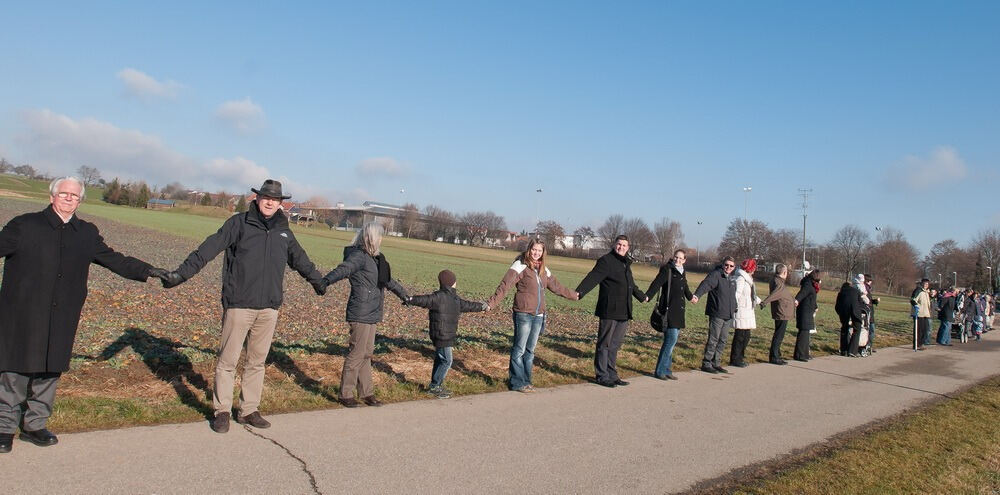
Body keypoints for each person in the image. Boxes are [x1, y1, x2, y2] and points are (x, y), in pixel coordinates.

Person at [0, 177, 168, 452]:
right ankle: (4, 428)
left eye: (74, 196)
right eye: (63, 193)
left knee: (49, 370)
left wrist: (149, 270)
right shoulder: (25, 225)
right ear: (52, 195)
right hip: (22, 312)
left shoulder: (86, 233)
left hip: (62, 314)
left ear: (80, 201)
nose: (68, 198)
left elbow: (114, 259)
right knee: (14, 370)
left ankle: (34, 425)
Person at [159, 179, 325, 433]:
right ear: (257, 199)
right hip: (239, 304)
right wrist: (181, 275)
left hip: (269, 307)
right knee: (228, 361)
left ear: (280, 203)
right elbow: (207, 249)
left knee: (257, 362)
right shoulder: (239, 224)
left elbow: (300, 260)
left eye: (275, 199)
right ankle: (222, 411)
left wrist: (318, 281)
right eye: (266, 197)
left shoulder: (284, 232)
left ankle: (248, 410)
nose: (270, 202)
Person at [315, 222, 410, 407]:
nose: (381, 239)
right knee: (356, 353)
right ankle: (345, 394)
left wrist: (406, 296)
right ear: (370, 238)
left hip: (373, 311)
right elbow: (344, 269)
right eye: (379, 236)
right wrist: (325, 281)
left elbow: (389, 281)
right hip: (360, 311)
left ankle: (367, 393)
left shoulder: (378, 259)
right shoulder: (359, 256)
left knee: (366, 354)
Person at [486, 238, 578, 392]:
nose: (536, 253)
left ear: (543, 252)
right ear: (529, 249)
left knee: (530, 351)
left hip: (539, 315)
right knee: (519, 349)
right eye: (534, 250)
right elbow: (505, 285)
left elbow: (557, 287)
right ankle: (516, 382)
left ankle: (526, 381)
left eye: (539, 250)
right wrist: (491, 303)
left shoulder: (543, 269)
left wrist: (574, 295)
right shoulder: (520, 265)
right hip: (523, 313)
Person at [575, 235, 649, 388]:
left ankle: (612, 374)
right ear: (614, 244)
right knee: (605, 343)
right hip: (609, 309)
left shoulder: (625, 263)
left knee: (615, 344)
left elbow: (631, 285)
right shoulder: (606, 261)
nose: (621, 247)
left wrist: (641, 297)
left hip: (624, 310)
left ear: (628, 248)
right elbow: (593, 277)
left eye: (624, 245)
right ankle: (602, 375)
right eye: (619, 244)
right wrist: (579, 292)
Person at [406, 270, 487, 399]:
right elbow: (424, 300)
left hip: (444, 334)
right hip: (442, 334)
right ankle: (435, 386)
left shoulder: (455, 299)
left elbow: (469, 305)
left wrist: (481, 306)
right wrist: (411, 299)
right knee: (447, 361)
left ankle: (435, 384)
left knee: (440, 359)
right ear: (452, 283)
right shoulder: (439, 297)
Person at [643, 249, 696, 380]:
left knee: (672, 341)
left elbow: (685, 288)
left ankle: (667, 369)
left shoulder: (682, 272)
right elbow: (656, 283)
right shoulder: (668, 270)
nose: (677, 260)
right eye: (676, 257)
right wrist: (648, 296)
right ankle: (660, 370)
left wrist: (691, 297)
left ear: (684, 260)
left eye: (680, 258)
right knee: (670, 340)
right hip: (668, 310)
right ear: (673, 257)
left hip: (679, 311)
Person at [692, 256, 738, 374]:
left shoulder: (732, 278)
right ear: (722, 265)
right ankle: (706, 363)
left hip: (728, 314)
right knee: (714, 338)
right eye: (726, 265)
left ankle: (716, 362)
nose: (728, 267)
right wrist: (697, 295)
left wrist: (735, 307)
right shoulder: (716, 275)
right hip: (717, 312)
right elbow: (705, 285)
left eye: (731, 266)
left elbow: (733, 295)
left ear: (734, 267)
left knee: (723, 340)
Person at [759, 264, 797, 365]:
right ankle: (774, 357)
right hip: (782, 312)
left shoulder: (776, 280)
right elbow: (775, 294)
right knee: (779, 335)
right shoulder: (778, 282)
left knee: (778, 334)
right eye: (787, 272)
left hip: (781, 311)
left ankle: (777, 354)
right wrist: (765, 302)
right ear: (784, 272)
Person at [729, 258, 761, 368]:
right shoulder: (741, 278)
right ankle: (735, 359)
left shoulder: (748, 279)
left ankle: (740, 357)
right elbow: (736, 294)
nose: (754, 270)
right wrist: (735, 307)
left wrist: (760, 301)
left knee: (746, 336)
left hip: (748, 311)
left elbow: (750, 295)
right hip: (741, 311)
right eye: (753, 268)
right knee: (740, 337)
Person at [793, 269, 823, 362]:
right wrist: (796, 300)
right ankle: (800, 355)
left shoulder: (811, 284)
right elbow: (802, 294)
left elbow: (811, 297)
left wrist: (815, 306)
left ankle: (805, 353)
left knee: (806, 333)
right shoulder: (808, 285)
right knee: (803, 333)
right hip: (804, 312)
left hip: (808, 311)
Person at [835, 281, 865, 357]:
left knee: (844, 329)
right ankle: (852, 350)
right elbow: (860, 303)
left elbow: (837, 306)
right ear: (850, 286)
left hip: (844, 312)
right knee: (857, 329)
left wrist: (840, 314)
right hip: (855, 311)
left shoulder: (841, 293)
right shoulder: (856, 291)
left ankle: (843, 350)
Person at [910, 279, 931, 350]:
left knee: (925, 330)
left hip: (925, 314)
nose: (926, 285)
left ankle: (921, 343)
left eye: (927, 284)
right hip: (919, 314)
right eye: (925, 284)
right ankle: (917, 344)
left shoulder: (926, 292)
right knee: (919, 330)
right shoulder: (918, 291)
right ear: (922, 284)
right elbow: (912, 299)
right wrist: (915, 305)